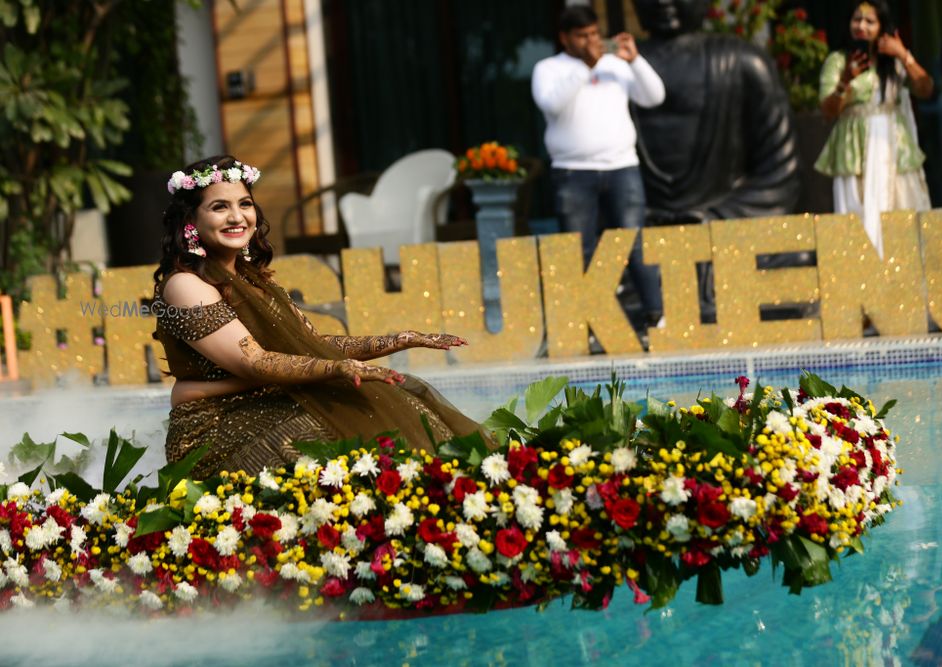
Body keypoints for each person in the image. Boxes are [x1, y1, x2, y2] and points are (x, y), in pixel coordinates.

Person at [152, 156, 483, 478]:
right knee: (322, 437)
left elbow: (312, 345)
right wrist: (336, 367)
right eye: (220, 207)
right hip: (216, 426)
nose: (237, 217)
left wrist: (397, 340)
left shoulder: (255, 281)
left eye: (245, 204)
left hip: (271, 401)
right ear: (190, 221)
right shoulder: (185, 285)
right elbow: (254, 361)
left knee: (392, 402)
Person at [630, 0, 799, 320]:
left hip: (724, 227)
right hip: (643, 237)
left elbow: (780, 173)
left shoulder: (743, 62)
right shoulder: (612, 71)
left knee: (795, 260)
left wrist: (709, 217)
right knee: (602, 272)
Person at [531, 5, 666, 327]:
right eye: (582, 36)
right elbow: (551, 104)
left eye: (594, 33)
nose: (591, 41)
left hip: (622, 168)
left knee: (634, 244)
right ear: (565, 38)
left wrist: (635, 60)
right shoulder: (548, 68)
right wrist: (586, 67)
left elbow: (655, 96)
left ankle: (656, 319)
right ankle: (587, 328)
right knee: (579, 252)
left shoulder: (615, 64)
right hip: (572, 172)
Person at [815, 0, 933, 259]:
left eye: (870, 21)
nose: (861, 26)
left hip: (893, 149)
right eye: (857, 20)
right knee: (856, 218)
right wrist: (845, 80)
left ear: (882, 28)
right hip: (855, 154)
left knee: (901, 212)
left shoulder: (892, 63)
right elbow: (828, 110)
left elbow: (925, 89)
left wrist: (903, 54)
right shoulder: (837, 61)